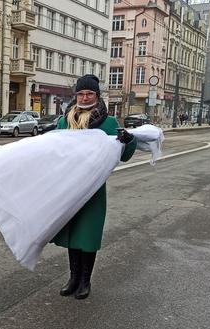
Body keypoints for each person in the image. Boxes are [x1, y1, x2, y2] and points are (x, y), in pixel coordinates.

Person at [50, 74, 137, 300]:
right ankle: (73, 278)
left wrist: (129, 140)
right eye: (81, 93)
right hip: (69, 187)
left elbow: (124, 154)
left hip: (93, 190)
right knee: (72, 234)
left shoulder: (108, 122)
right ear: (76, 95)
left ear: (97, 96)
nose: (85, 97)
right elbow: (56, 149)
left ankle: (85, 281)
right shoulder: (65, 120)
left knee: (87, 235)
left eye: (90, 93)